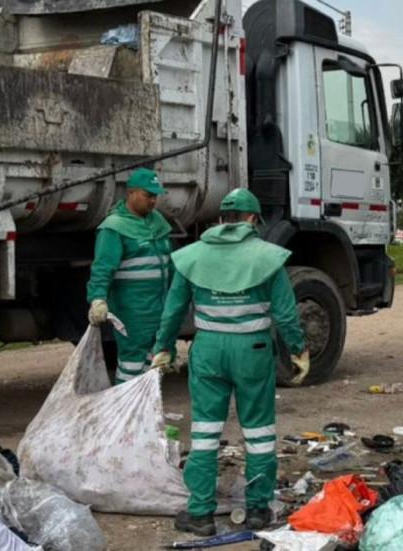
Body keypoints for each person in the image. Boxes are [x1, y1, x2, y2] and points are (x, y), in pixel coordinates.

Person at [150, 188, 309, 535]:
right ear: (253, 219)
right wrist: (298, 350)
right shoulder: (267, 257)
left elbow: (174, 308)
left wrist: (163, 347)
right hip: (252, 351)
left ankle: (201, 514)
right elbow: (284, 313)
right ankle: (256, 510)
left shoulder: (193, 256)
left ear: (221, 218)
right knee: (259, 433)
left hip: (207, 350)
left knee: (206, 433)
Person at [86, 168, 173, 384]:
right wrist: (98, 298)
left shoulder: (158, 222)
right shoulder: (114, 228)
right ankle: (125, 414)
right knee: (132, 364)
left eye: (155, 196)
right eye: (148, 195)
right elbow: (102, 268)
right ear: (131, 193)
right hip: (133, 310)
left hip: (159, 306)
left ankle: (146, 413)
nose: (153, 201)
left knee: (155, 362)